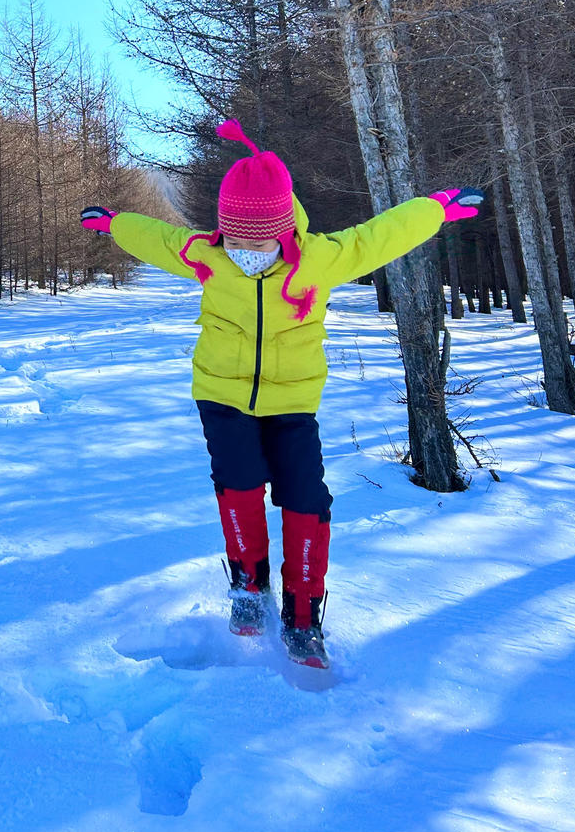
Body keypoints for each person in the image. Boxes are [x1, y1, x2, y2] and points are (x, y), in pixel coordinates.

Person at [81, 118, 482, 669]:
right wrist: (116, 223)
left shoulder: (318, 258)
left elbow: (379, 235)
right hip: (222, 397)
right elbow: (159, 239)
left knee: (306, 501)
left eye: (258, 236)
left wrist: (434, 209)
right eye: (237, 236)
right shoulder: (207, 255)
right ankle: (249, 584)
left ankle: (302, 611)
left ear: (284, 226)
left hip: (293, 404)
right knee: (238, 486)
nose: (246, 248)